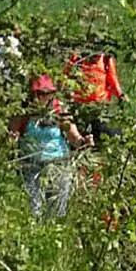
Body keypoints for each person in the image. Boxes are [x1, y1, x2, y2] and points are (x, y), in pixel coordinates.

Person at [9, 74, 86, 217]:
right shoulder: (23, 113)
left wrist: (84, 142)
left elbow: (74, 137)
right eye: (38, 93)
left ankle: (55, 233)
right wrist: (12, 141)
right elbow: (12, 135)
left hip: (58, 163)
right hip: (31, 164)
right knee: (33, 209)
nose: (41, 97)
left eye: (46, 93)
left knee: (57, 209)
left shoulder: (59, 111)